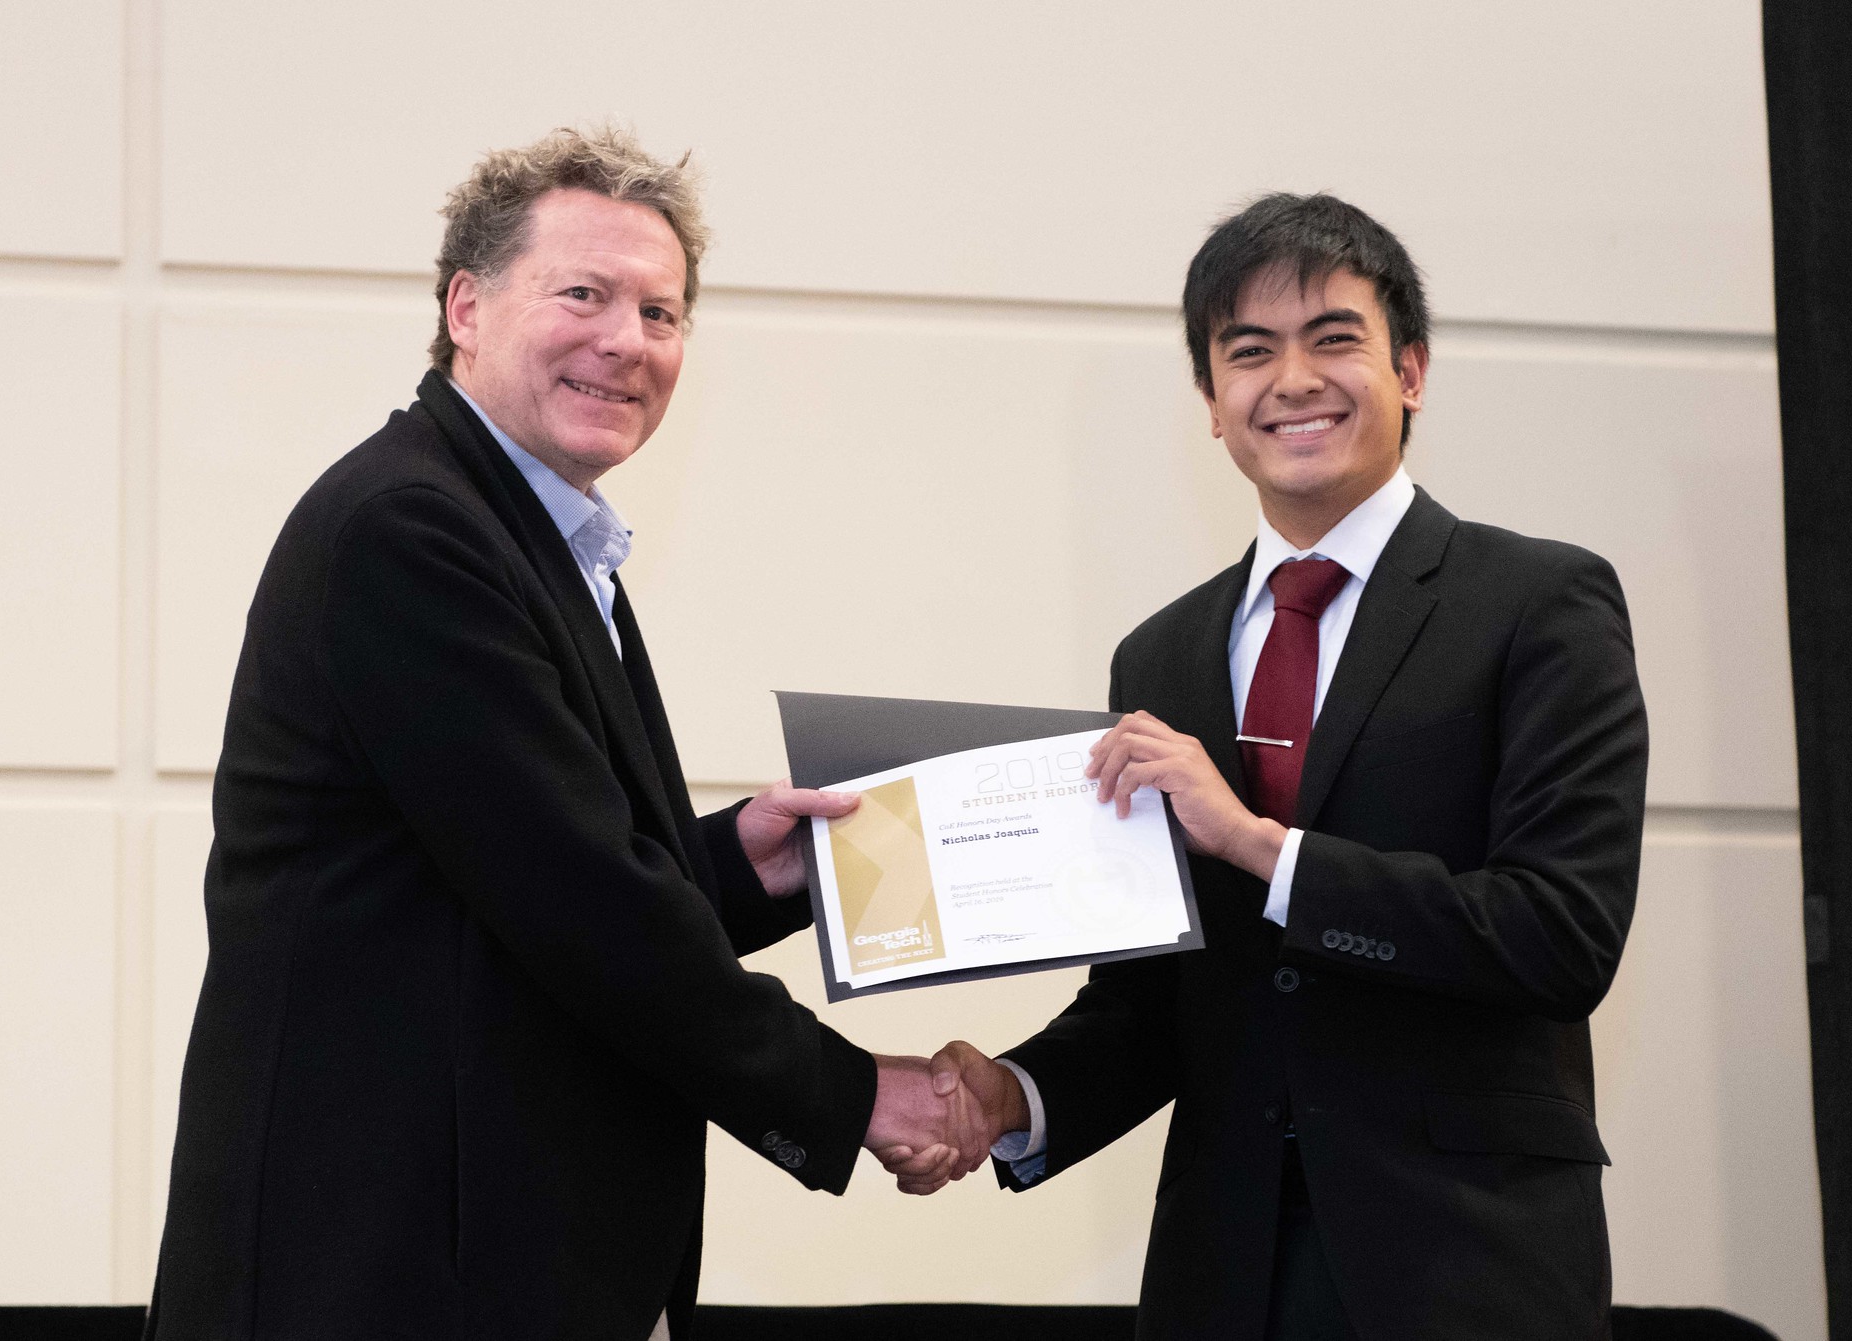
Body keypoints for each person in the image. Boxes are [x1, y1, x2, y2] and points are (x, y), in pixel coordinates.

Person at [145, 126, 978, 1341]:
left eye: (661, 311)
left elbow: (515, 884)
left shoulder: (531, 533)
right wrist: (851, 1095)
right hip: (388, 1271)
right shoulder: (410, 533)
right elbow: (582, 904)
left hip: (481, 1256)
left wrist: (737, 863)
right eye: (583, 294)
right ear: (467, 307)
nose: (625, 341)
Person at [887, 194, 1649, 1340]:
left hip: (1463, 1264)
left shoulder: (1538, 604)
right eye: (1248, 352)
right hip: (1224, 1269)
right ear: (1211, 404)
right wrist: (1012, 1094)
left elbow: (1558, 936)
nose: (1291, 379)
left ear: (1412, 370)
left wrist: (1256, 844)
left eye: (1332, 339)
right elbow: (1155, 1000)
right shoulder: (1163, 653)